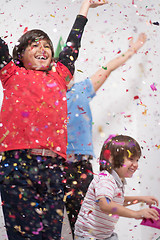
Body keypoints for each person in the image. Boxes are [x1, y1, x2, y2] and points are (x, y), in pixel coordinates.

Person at [0, 0, 108, 239]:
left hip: (53, 168)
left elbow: (73, 45)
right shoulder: (10, 73)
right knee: (21, 234)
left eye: (47, 46)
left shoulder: (60, 75)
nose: (43, 49)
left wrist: (85, 7)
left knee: (50, 234)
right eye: (35, 45)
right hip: (17, 165)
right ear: (20, 54)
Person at [64, 32, 147, 236]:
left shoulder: (81, 89)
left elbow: (108, 67)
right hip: (54, 163)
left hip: (79, 163)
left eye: (68, 70)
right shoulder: (46, 94)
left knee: (86, 212)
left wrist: (132, 50)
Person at [74, 134, 159, 240]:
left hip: (104, 236)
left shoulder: (117, 181)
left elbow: (117, 202)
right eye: (131, 159)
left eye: (137, 160)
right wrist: (136, 214)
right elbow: (105, 205)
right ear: (111, 159)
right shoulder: (105, 179)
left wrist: (140, 199)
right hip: (88, 236)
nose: (136, 164)